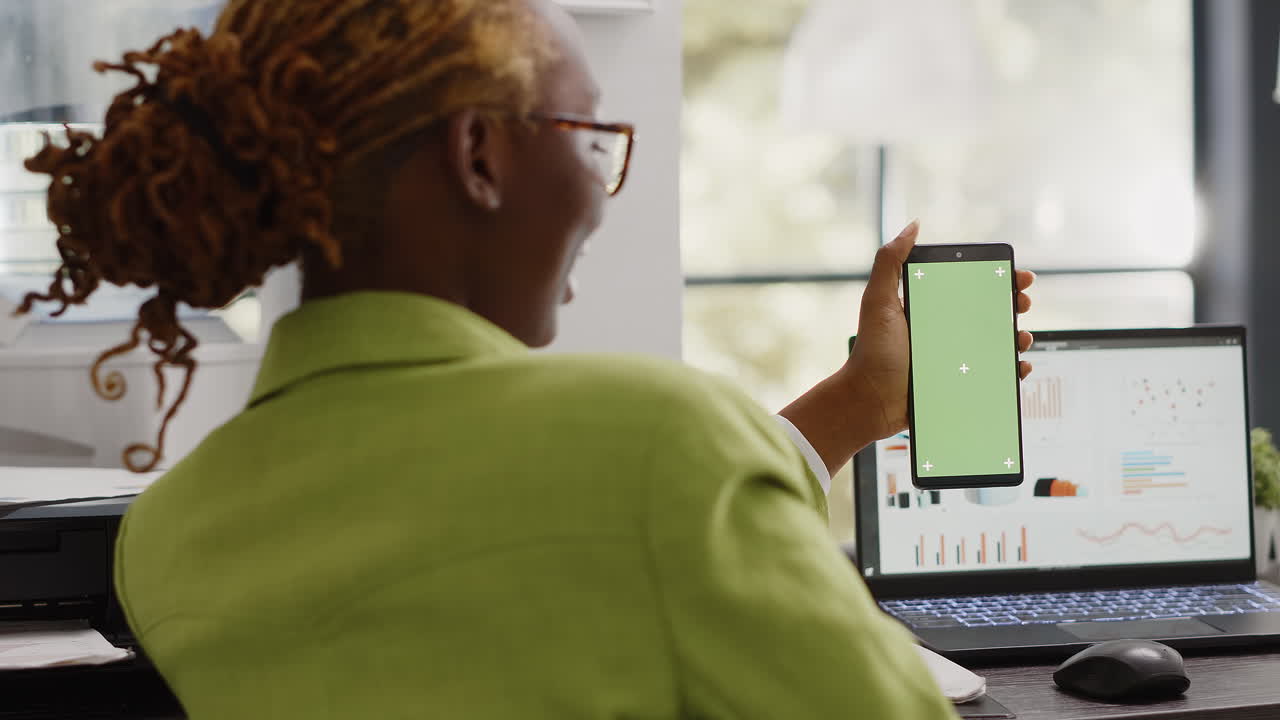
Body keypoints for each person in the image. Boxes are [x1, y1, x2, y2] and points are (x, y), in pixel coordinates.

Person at [18, 0, 1035, 717]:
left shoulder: (167, 540)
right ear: (479, 157)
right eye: (591, 136)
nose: (602, 185)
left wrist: (856, 402)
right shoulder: (654, 448)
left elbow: (560, 541)